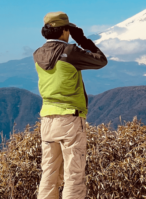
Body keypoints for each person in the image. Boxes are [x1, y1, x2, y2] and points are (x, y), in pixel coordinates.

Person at [34, 12, 108, 199]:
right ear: (66, 30)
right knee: (74, 175)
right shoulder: (70, 52)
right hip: (70, 119)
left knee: (49, 174)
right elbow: (101, 60)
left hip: (47, 119)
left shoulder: (38, 54)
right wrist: (82, 39)